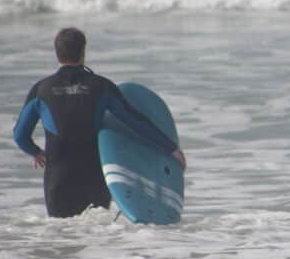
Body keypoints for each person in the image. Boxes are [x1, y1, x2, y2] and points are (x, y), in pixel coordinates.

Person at [13, 27, 187, 218]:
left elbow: (20, 135)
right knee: (96, 237)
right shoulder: (101, 86)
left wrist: (35, 152)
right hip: (94, 177)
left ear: (57, 53)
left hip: (59, 179)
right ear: (83, 52)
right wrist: (170, 148)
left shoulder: (41, 90)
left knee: (63, 238)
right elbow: (134, 120)